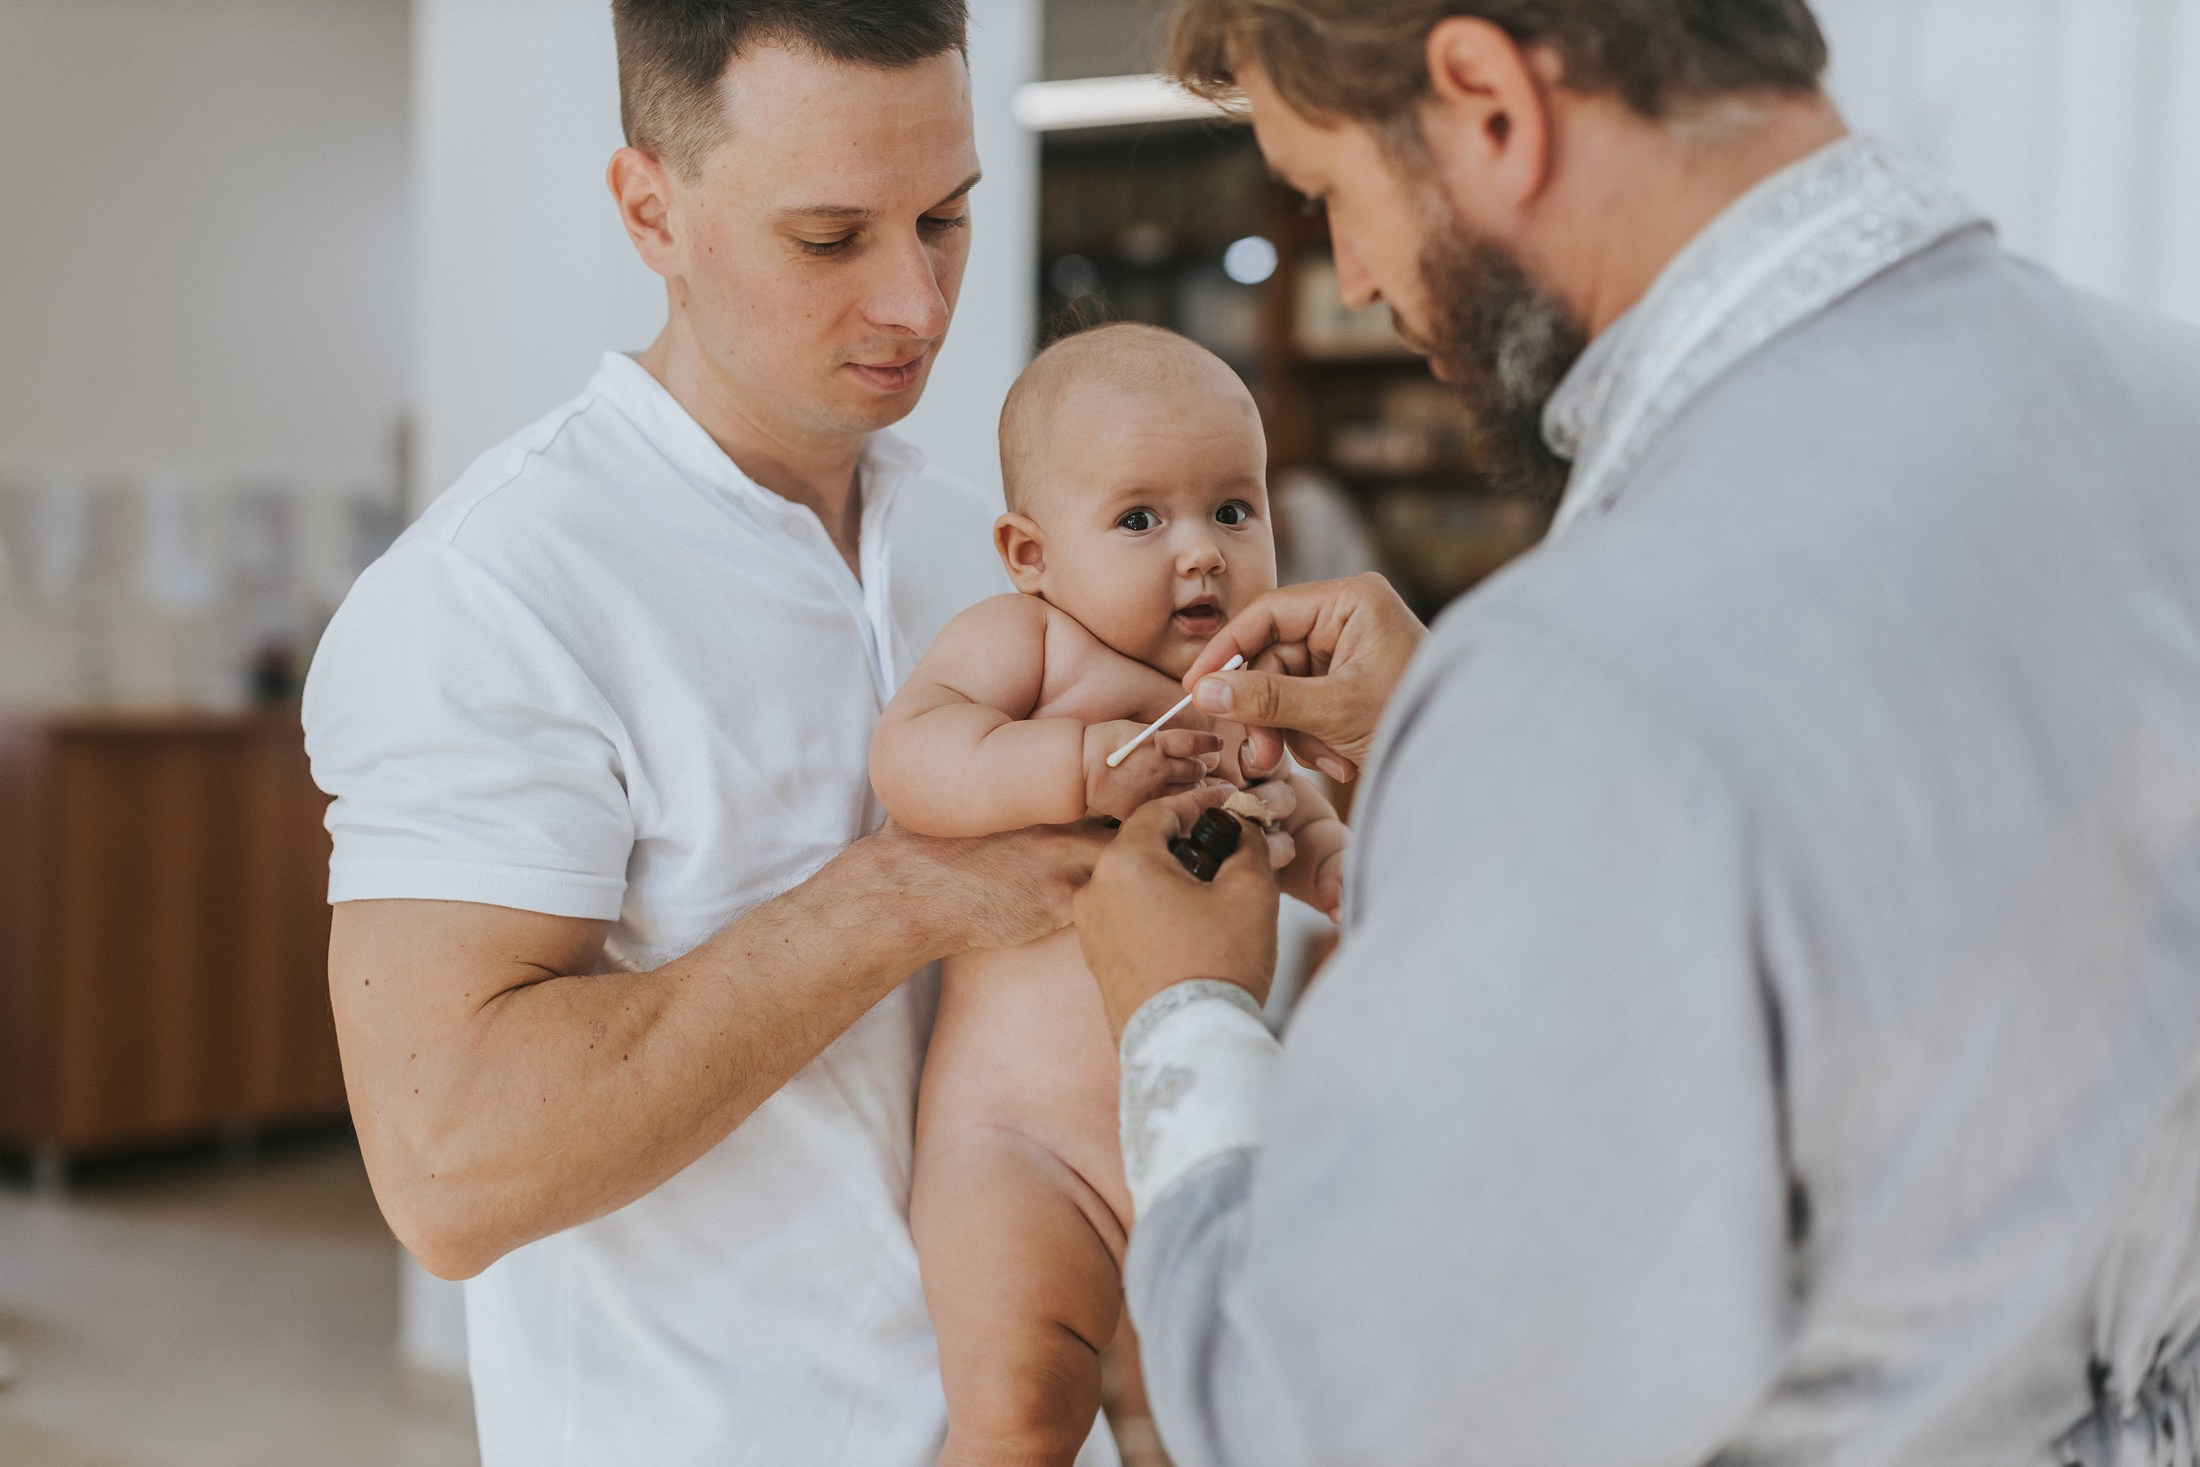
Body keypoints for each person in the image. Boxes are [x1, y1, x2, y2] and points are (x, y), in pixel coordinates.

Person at [1071, 1, 2200, 1464]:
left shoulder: (1589, 687)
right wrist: (1459, 783)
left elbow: (1329, 1420)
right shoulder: (2168, 411)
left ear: (1488, 102)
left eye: (1331, 195)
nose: (1351, 275)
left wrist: (1183, 1022)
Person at [302, 3, 1118, 1462]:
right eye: (831, 238)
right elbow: (450, 1167)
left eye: (945, 217)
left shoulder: (991, 553)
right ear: (651, 211)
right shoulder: (490, 594)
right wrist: (901, 891)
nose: (919, 304)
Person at [870, 324, 1346, 1467]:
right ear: (1028, 552)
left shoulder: (1254, 696)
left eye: (1233, 510)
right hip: (1018, 1146)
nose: (1201, 555)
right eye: (1140, 520)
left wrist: (1342, 870)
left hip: (1201, 1125)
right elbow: (913, 758)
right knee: (1023, 1406)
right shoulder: (1031, 649)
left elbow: (1316, 839)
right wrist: (1074, 768)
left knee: (1212, 1412)